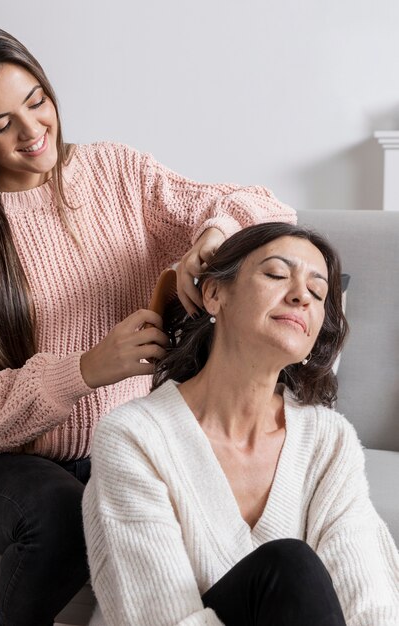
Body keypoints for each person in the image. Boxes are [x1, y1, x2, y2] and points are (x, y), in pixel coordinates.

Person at [0, 20, 297, 626]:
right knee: (61, 514)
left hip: (116, 443)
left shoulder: (115, 174)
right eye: (1, 125)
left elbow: (266, 208)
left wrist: (212, 237)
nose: (34, 132)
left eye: (37, 102)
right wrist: (85, 370)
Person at [83, 222, 399, 626]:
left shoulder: (328, 441)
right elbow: (157, 615)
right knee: (290, 565)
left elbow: (368, 601)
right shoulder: (134, 437)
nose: (301, 295)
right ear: (214, 293)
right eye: (276, 274)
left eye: (318, 292)